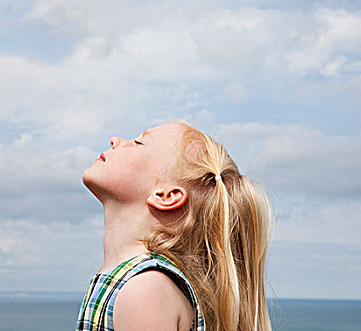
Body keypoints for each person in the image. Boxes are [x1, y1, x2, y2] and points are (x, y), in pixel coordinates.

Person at [76, 122, 273, 331]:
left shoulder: (146, 290)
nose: (115, 140)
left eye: (138, 142)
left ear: (166, 195)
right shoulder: (138, 283)